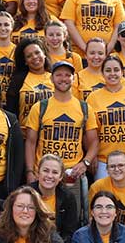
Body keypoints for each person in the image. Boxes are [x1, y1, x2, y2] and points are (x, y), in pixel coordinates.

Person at [22, 60, 98, 195]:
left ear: (73, 79)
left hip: (71, 173)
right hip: (44, 172)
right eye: (59, 75)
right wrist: (29, 171)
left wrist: (85, 163)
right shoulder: (40, 107)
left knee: (72, 213)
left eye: (67, 75)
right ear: (51, 78)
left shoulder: (84, 108)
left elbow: (94, 142)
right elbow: (30, 142)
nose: (63, 78)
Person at [28, 153, 82, 236]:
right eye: (45, 171)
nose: (49, 176)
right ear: (38, 173)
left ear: (60, 177)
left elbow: (69, 232)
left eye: (55, 172)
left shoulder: (68, 197)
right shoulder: (26, 193)